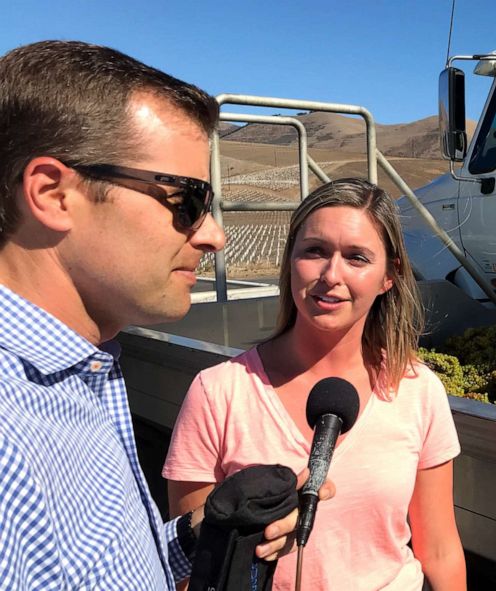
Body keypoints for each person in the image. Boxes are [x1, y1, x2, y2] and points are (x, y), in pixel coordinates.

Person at [0, 40, 331, 589]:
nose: (214, 235)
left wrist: (205, 533)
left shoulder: (78, 378)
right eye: (186, 201)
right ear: (53, 194)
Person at [164, 178, 467, 590]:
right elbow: (192, 571)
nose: (330, 275)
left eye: (357, 258)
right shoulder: (218, 393)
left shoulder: (417, 390)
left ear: (388, 277)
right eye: (315, 251)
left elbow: (440, 550)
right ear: (291, 260)